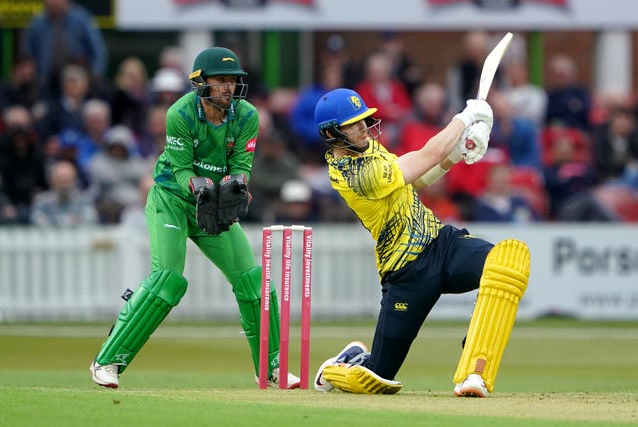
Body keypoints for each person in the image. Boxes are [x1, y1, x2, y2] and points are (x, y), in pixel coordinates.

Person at [89, 46, 299, 389]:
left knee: (254, 281)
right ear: (201, 83)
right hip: (171, 199)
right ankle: (108, 360)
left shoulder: (246, 115)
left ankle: (271, 367)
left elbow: (242, 165)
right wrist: (198, 186)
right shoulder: (180, 114)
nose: (229, 87)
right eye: (221, 80)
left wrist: (237, 185)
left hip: (213, 205)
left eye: (233, 80)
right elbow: (183, 168)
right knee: (167, 280)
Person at [311, 88, 530, 396]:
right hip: (406, 272)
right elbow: (426, 155)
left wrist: (457, 153)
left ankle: (474, 374)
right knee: (377, 380)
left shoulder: (368, 148)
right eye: (353, 124)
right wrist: (465, 117)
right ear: (332, 133)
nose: (363, 128)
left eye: (363, 120)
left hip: (442, 244)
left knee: (508, 261)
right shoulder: (353, 173)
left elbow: (419, 176)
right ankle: (341, 366)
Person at [23, 0, 107, 97]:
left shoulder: (82, 19)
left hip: (77, 78)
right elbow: (28, 55)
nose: (54, 2)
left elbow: (98, 51)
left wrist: (94, 76)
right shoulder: (37, 23)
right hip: (45, 81)